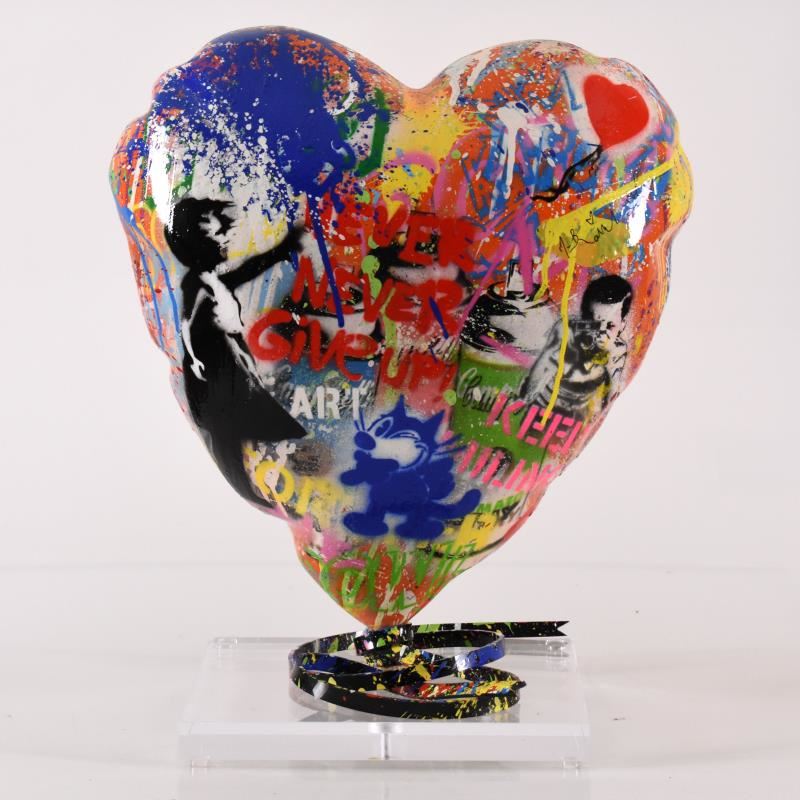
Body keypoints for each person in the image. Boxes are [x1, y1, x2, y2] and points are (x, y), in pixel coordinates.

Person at [164, 197, 306, 508]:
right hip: (214, 366)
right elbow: (185, 322)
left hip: (229, 360)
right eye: (216, 234)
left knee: (241, 429)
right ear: (198, 242)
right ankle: (265, 487)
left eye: (222, 232)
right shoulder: (195, 283)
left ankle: (270, 483)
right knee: (234, 430)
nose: (224, 239)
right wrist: (194, 359)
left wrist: (281, 250)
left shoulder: (215, 279)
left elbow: (247, 270)